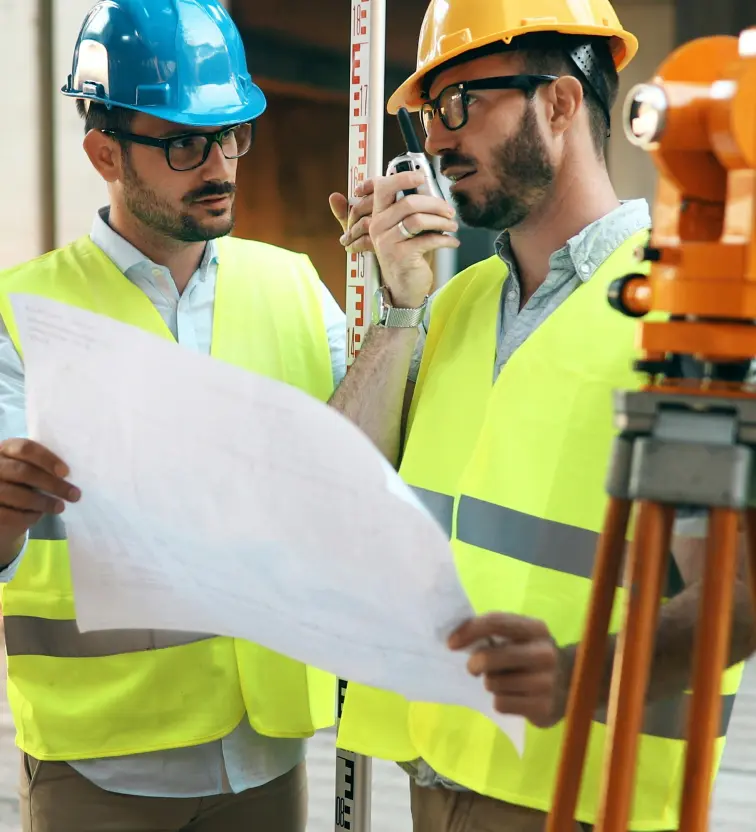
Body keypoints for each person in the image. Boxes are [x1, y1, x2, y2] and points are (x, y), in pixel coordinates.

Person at [328, 1, 755, 830]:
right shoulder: (450, 304)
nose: (436, 142)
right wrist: (398, 313)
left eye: (460, 105)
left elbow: (736, 599)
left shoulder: (685, 313)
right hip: (432, 770)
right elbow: (341, 497)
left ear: (558, 104)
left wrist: (578, 676)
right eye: (427, 115)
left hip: (584, 795)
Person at [0, 1, 345, 830]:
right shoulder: (21, 314)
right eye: (187, 143)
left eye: (232, 135)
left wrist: (404, 312)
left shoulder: (297, 287)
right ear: (104, 152)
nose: (221, 164)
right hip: (102, 767)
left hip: (267, 754)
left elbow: (357, 477)